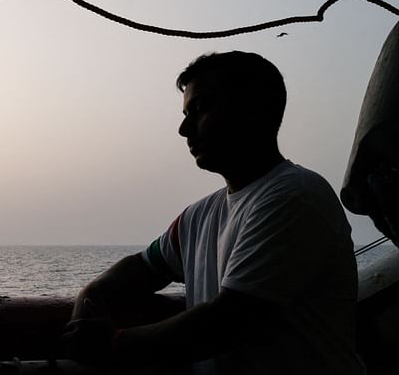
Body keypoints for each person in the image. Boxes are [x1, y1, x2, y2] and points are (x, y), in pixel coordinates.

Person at [61, 51, 364, 374]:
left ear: (254, 110)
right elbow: (144, 266)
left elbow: (230, 320)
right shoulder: (198, 216)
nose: (184, 128)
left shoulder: (295, 196)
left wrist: (112, 342)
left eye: (200, 109)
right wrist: (91, 292)